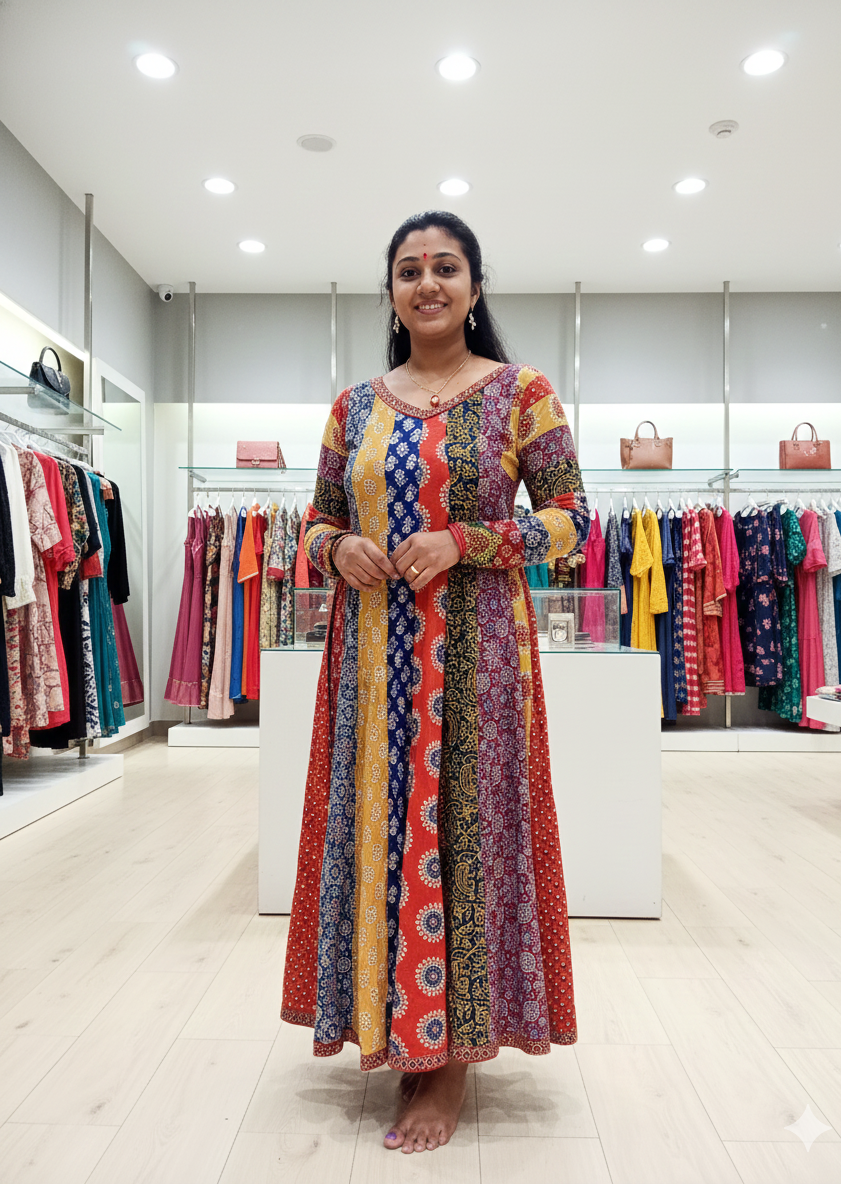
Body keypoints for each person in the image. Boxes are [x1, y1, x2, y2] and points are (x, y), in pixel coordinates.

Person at [280, 210, 589, 1154]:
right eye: (410, 269)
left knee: (467, 836)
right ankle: (395, 1026)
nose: (428, 283)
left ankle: (449, 1058)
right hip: (372, 666)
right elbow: (314, 524)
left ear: (475, 287)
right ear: (391, 292)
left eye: (446, 267)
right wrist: (339, 549)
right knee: (380, 830)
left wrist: (467, 540)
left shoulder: (522, 394)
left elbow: (574, 520)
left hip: (481, 664)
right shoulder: (354, 409)